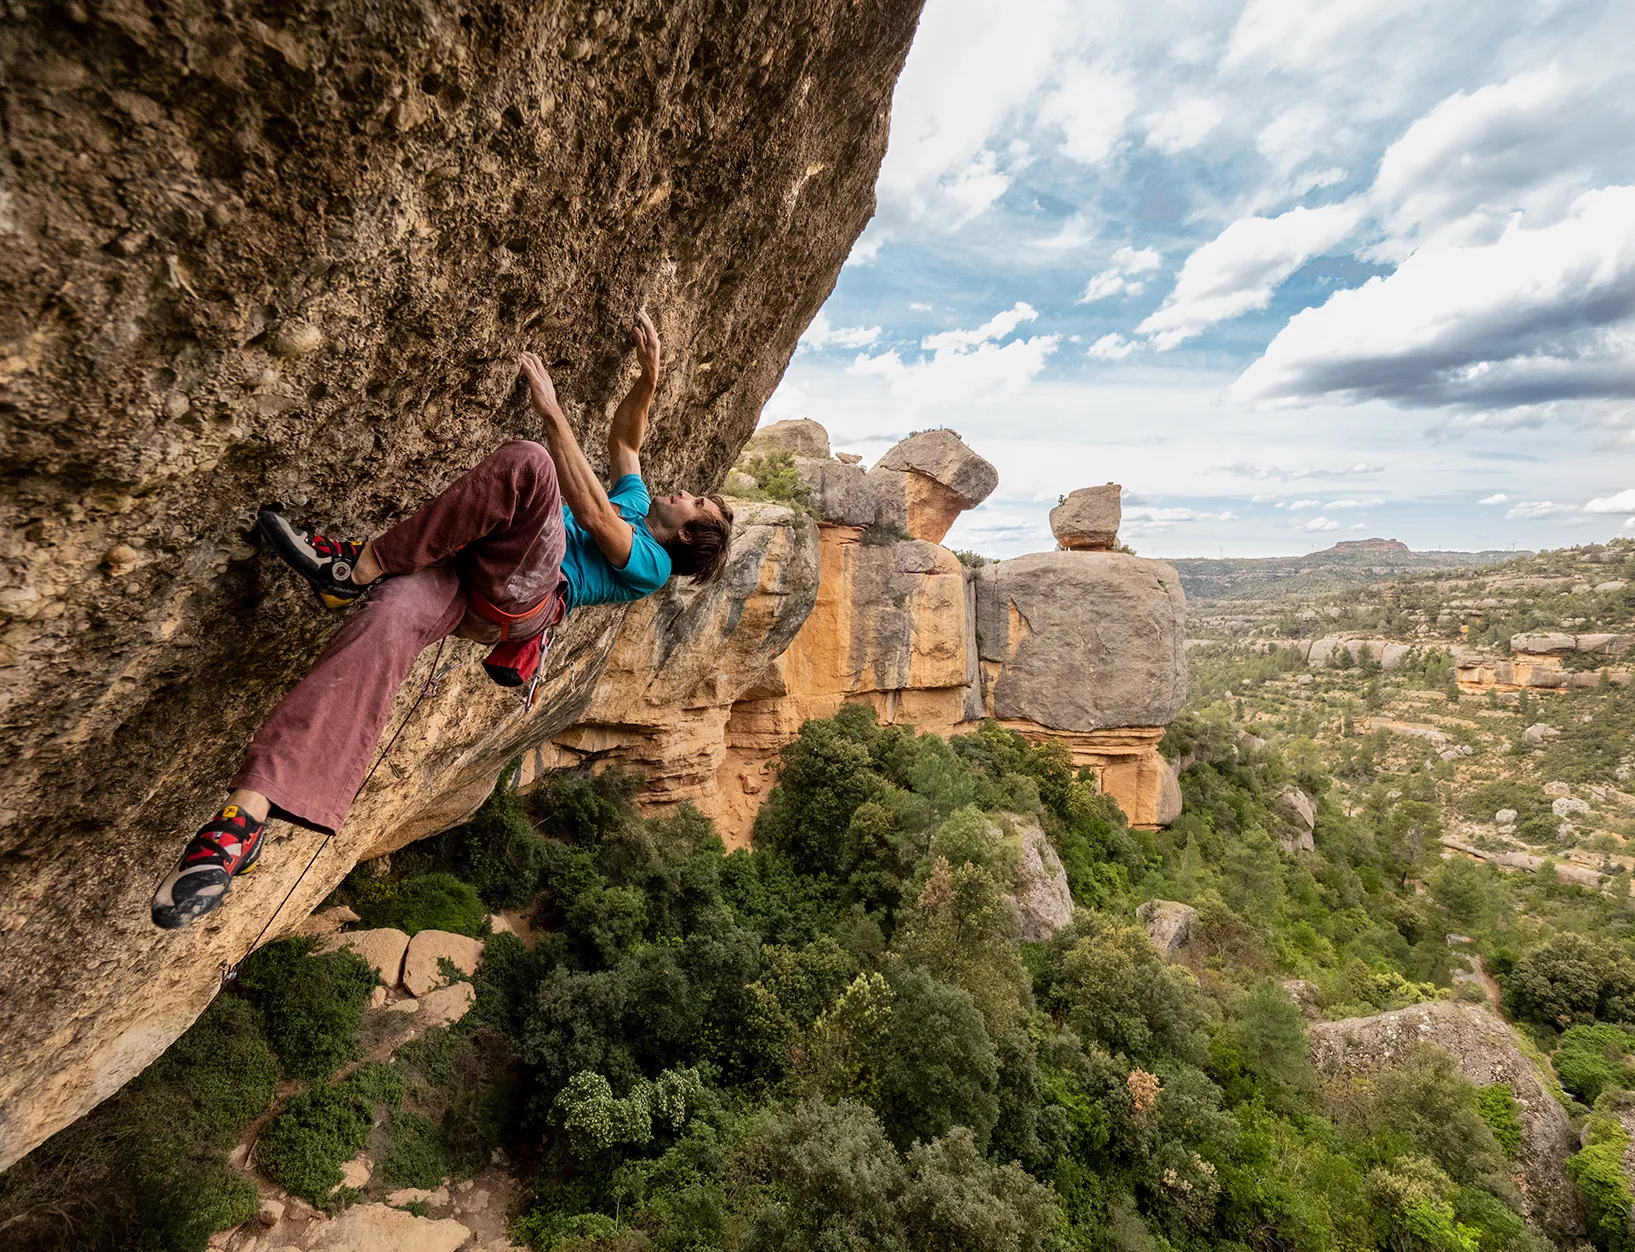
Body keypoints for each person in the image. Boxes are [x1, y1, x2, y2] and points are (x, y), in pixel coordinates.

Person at [152, 312, 732, 929]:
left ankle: (356, 568)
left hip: (522, 593)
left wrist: (553, 410)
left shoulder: (649, 564)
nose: (685, 492)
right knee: (387, 622)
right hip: (464, 578)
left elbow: (589, 513)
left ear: (690, 533)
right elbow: (627, 443)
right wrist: (650, 376)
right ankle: (242, 820)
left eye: (696, 502)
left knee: (533, 463)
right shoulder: (639, 506)